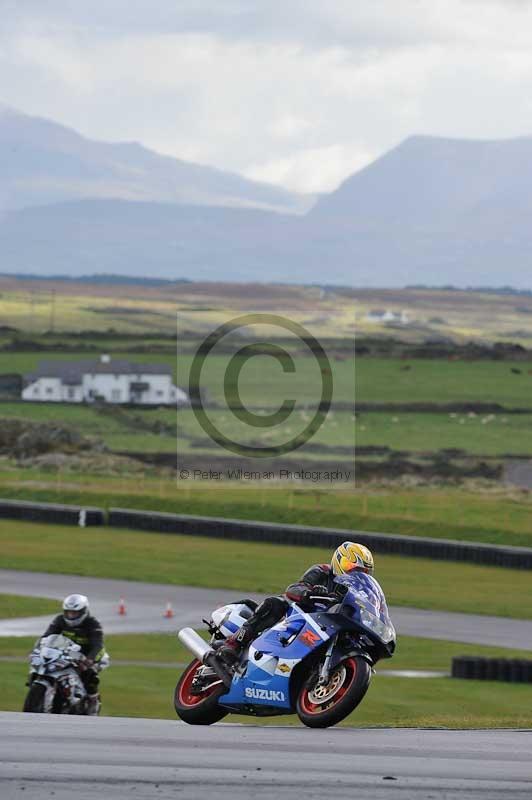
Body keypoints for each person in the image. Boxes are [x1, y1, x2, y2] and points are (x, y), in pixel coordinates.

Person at [217, 541, 376, 665]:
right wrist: (309, 592)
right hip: (299, 615)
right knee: (275, 603)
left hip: (325, 628)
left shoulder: (358, 592)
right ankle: (233, 644)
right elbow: (295, 588)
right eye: (351, 567)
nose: (355, 573)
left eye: (363, 572)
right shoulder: (322, 571)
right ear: (339, 561)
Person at [41, 594, 105, 716]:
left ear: (83, 611)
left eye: (74, 613)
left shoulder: (93, 624)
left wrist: (90, 659)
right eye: (68, 612)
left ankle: (93, 700)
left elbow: (98, 645)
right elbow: (47, 636)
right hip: (64, 652)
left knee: (90, 674)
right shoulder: (59, 620)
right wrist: (40, 648)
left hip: (86, 656)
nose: (71, 616)